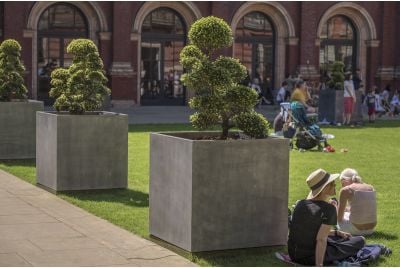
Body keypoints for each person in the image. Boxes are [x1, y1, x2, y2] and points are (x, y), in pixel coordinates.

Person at [288, 169, 365, 266]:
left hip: (294, 254)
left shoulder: (300, 204)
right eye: (332, 183)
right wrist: (319, 265)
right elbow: (321, 239)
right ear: (324, 188)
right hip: (311, 257)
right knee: (360, 240)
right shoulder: (329, 209)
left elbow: (308, 231)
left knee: (339, 238)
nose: (335, 185)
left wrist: (336, 232)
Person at [337, 168, 377, 236]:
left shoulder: (345, 190)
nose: (342, 186)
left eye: (342, 183)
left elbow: (339, 218)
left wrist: (335, 207)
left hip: (355, 230)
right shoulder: (371, 188)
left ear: (344, 180)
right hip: (371, 229)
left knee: (334, 217)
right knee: (347, 212)